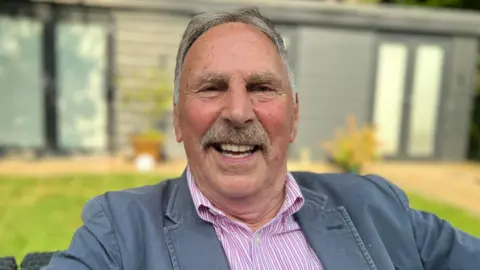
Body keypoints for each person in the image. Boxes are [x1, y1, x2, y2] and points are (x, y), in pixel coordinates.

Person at [44, 7, 480, 270]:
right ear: (178, 120)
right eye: (212, 87)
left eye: (261, 88)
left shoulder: (375, 205)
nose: (237, 112)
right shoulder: (119, 229)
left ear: (293, 117)